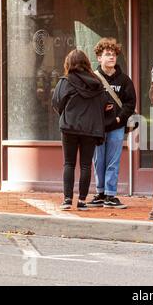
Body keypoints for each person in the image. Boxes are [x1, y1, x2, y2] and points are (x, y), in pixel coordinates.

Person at [52, 49, 113, 211]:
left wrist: (67, 113)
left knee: (69, 163)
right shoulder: (97, 83)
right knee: (86, 165)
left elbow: (57, 103)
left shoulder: (65, 81)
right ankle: (82, 201)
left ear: (68, 63)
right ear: (87, 63)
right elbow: (104, 105)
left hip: (69, 127)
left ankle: (67, 200)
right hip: (91, 130)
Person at [87, 37, 137, 209]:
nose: (112, 57)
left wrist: (119, 119)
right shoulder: (92, 79)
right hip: (98, 128)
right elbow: (87, 102)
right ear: (99, 58)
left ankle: (110, 194)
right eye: (107, 54)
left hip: (116, 126)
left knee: (113, 161)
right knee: (98, 160)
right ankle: (100, 193)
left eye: (114, 54)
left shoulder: (124, 80)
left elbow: (131, 103)